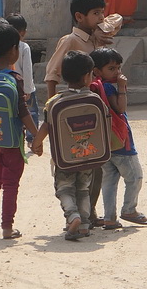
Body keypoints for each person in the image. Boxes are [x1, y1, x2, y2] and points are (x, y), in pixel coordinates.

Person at [44, 0, 121, 226]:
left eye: (101, 12)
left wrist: (100, 24)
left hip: (96, 111)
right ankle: (77, 214)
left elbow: (116, 19)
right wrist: (51, 112)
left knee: (96, 161)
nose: (101, 17)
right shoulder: (71, 41)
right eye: (95, 13)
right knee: (75, 162)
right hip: (72, 112)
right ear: (79, 16)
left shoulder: (96, 36)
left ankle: (90, 212)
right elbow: (51, 75)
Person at [0, 23, 43, 240]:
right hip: (12, 142)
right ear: (15, 50)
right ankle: (7, 227)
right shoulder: (14, 79)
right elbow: (23, 112)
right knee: (11, 184)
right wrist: (36, 138)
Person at [35, 51, 101, 241]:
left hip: (64, 158)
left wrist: (37, 144)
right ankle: (85, 225)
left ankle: (72, 215)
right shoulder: (94, 101)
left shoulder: (54, 102)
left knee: (64, 189)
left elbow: (46, 125)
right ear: (88, 76)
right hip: (89, 156)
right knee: (83, 189)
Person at [89, 48, 147, 230]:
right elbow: (120, 108)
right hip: (121, 144)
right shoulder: (107, 87)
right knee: (135, 177)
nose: (117, 72)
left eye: (118, 68)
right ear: (98, 71)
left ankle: (109, 217)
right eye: (112, 68)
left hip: (106, 144)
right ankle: (129, 209)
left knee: (109, 181)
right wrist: (122, 88)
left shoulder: (95, 86)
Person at [7, 13, 40, 139]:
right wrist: (28, 89)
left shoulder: (4, 46)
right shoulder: (24, 47)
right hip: (24, 86)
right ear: (23, 32)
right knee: (31, 112)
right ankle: (32, 138)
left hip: (10, 85)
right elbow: (27, 69)